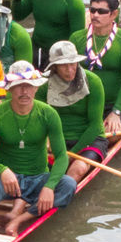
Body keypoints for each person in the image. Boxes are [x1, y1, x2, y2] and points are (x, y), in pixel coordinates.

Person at [0, 61, 75, 242]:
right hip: (8, 182)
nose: (24, 91)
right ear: (10, 89)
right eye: (18, 86)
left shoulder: (48, 114)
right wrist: (2, 169)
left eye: (29, 86)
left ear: (36, 88)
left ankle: (19, 219)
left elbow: (61, 156)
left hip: (37, 179)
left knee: (68, 184)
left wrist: (49, 187)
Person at [71, 0, 121, 135]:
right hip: (84, 103)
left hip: (112, 104)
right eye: (93, 10)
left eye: (101, 11)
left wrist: (116, 111)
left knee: (112, 135)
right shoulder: (76, 38)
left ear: (114, 14)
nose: (95, 15)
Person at [37, 40, 107, 181]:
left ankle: (58, 196)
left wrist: (69, 156)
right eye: (63, 65)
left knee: (78, 168)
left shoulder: (93, 82)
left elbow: (94, 126)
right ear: (54, 67)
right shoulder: (43, 84)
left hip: (88, 140)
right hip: (57, 140)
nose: (69, 70)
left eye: (72, 63)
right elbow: (38, 119)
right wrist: (45, 141)